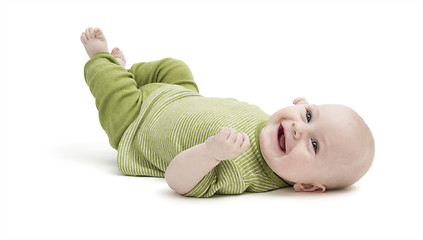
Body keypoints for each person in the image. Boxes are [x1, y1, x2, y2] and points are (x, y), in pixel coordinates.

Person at [80, 27, 375, 198]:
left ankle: (103, 62)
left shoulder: (243, 172)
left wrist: (210, 154)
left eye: (313, 145)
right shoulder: (266, 121)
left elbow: (177, 181)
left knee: (113, 88)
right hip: (179, 95)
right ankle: (127, 72)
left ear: (307, 185)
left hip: (136, 124)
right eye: (308, 116)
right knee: (175, 67)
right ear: (300, 103)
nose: (300, 129)